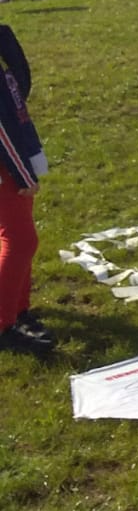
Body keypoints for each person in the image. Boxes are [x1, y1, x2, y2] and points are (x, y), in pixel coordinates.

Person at [0, 23, 52, 356]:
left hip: (16, 158)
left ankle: (18, 310)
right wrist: (21, 175)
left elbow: (21, 81)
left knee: (18, 237)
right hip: (7, 166)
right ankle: (3, 324)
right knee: (20, 240)